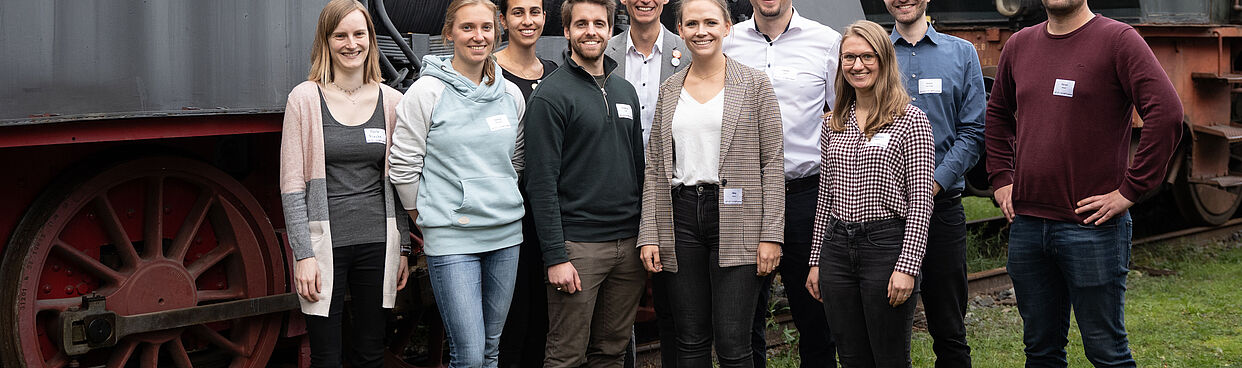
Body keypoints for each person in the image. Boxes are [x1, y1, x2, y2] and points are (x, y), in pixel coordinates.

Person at [985, 0, 1182, 366]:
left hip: (1092, 228)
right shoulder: (1019, 44)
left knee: (1106, 352)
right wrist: (1000, 177)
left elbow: (1167, 112)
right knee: (1040, 352)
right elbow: (997, 113)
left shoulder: (1118, 40)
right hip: (1027, 226)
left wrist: (1131, 190)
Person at [637, 0, 783, 366]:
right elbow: (655, 165)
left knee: (734, 341)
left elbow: (773, 162)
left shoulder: (754, 84)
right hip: (682, 216)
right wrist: (649, 234)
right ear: (681, 30)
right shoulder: (670, 89)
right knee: (689, 339)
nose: (701, 31)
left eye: (710, 22)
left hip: (738, 217)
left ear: (727, 27)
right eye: (691, 24)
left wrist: (771, 235)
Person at [388, 0, 528, 366]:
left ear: (497, 31)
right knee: (468, 354)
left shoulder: (511, 96)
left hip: (505, 235)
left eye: (485, 27)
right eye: (467, 28)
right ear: (448, 34)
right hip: (452, 239)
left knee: (491, 350)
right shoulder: (426, 93)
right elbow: (403, 165)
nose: (477, 36)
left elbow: (515, 160)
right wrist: (428, 216)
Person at [280, 1, 411, 366]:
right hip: (324, 247)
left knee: (371, 352)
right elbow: (292, 186)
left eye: (359, 34)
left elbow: (399, 184)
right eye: (340, 35)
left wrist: (402, 250)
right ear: (326, 41)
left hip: (378, 243)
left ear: (371, 39)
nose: (351, 44)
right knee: (326, 356)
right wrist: (303, 255)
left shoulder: (393, 102)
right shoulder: (304, 99)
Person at [805, 19, 935, 368]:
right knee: (850, 357)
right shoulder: (833, 122)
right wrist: (816, 259)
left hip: (885, 247)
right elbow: (825, 196)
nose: (857, 65)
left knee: (889, 357)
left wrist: (907, 267)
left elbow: (921, 202)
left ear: (884, 60)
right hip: (836, 251)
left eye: (867, 56)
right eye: (849, 57)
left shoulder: (910, 121)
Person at [522, 0, 645, 366]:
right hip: (579, 249)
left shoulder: (625, 91)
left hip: (628, 246)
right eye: (581, 24)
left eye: (598, 23)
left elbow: (638, 169)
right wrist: (556, 257)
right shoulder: (550, 95)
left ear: (610, 30)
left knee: (611, 351)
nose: (590, 31)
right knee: (566, 355)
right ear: (566, 30)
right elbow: (540, 183)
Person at [722, 0, 840, 366]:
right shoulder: (726, 41)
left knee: (816, 316)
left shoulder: (826, 42)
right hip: (742, 198)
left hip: (806, 198)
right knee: (742, 320)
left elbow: (841, 117)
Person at [884, 0, 985, 366]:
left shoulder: (961, 53)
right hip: (885, 215)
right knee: (887, 329)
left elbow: (973, 132)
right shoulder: (872, 51)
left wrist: (934, 184)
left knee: (949, 328)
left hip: (941, 213)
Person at [604, 0, 690, 365]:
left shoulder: (686, 50)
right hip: (617, 188)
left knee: (673, 303)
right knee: (617, 305)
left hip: (672, 190)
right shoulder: (603, 50)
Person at [491, 1, 559, 367]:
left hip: (547, 213)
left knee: (544, 316)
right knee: (511, 317)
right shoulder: (490, 73)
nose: (527, 20)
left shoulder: (555, 73)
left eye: (535, 11)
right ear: (503, 20)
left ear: (545, 19)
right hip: (506, 212)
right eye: (518, 12)